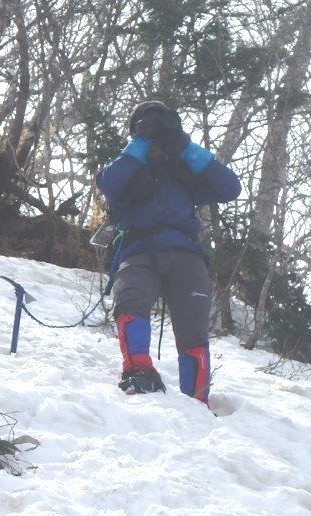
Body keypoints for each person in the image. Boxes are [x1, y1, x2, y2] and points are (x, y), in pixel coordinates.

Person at [96, 100, 241, 404]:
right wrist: (138, 146)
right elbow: (109, 184)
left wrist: (185, 148)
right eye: (147, 123)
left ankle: (197, 400)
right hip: (140, 249)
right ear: (133, 133)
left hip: (185, 253)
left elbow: (230, 188)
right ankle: (138, 370)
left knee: (193, 330)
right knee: (130, 300)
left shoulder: (183, 169)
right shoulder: (126, 167)